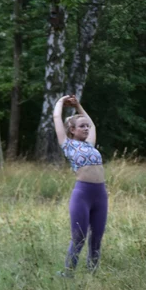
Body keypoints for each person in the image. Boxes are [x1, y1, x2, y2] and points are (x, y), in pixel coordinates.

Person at [52, 95, 107, 273]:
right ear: (72, 130)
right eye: (82, 126)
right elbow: (56, 118)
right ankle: (68, 272)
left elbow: (93, 124)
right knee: (79, 236)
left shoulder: (91, 145)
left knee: (97, 236)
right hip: (82, 194)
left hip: (100, 195)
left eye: (86, 126)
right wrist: (61, 102)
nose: (86, 128)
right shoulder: (68, 145)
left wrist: (78, 106)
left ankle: (93, 271)